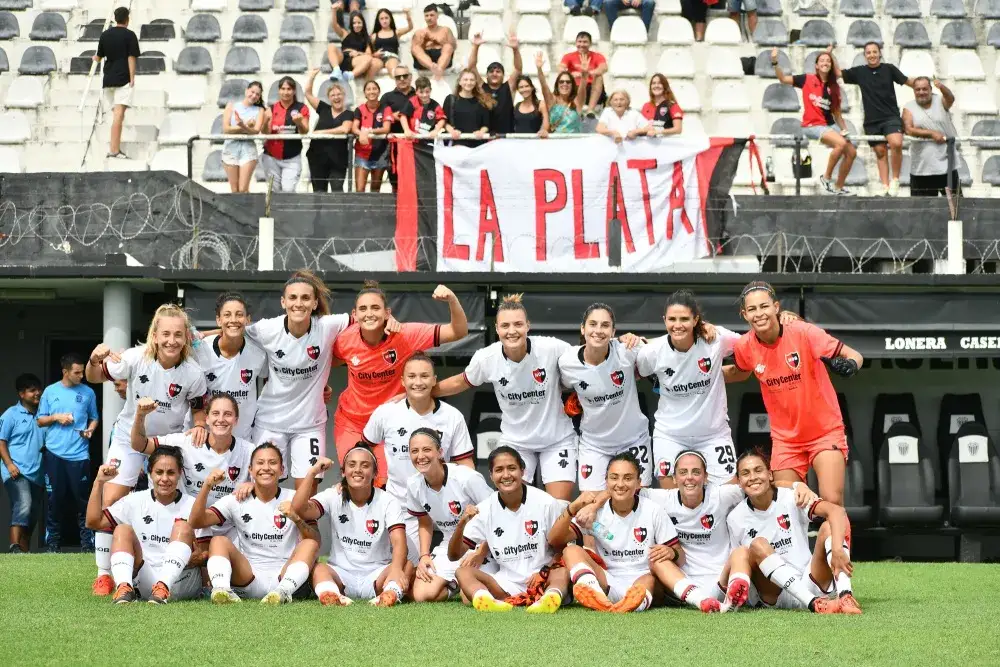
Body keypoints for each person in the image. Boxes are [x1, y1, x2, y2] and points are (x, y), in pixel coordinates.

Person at [85, 304, 208, 595]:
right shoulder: (134, 358)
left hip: (167, 443)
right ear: (154, 335)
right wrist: (93, 359)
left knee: (181, 502)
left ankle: (181, 571)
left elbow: (198, 407)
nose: (171, 340)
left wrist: (201, 425)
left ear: (186, 338)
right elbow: (94, 376)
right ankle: (104, 574)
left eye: (178, 334)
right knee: (111, 501)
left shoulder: (193, 372)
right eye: (165, 334)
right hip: (128, 439)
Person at [730, 281, 863, 505]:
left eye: (764, 306)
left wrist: (851, 366)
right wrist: (697, 375)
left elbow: (855, 355)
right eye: (752, 309)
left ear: (776, 307)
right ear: (744, 314)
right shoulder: (744, 346)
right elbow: (739, 373)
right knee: (787, 504)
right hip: (786, 440)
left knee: (831, 500)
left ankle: (835, 530)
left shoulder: (803, 331)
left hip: (824, 432)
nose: (759, 314)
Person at [434, 294, 577, 500]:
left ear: (528, 325)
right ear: (497, 328)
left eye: (518, 324)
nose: (512, 331)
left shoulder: (551, 348)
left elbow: (587, 358)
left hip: (557, 440)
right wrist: (422, 392)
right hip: (516, 442)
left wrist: (619, 344)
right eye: (505, 325)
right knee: (511, 503)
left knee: (558, 507)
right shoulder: (487, 358)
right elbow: (460, 382)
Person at [634, 450, 819, 609]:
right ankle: (701, 600)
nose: (689, 477)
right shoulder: (662, 498)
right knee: (656, 560)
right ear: (674, 478)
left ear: (706, 477)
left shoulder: (722, 494)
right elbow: (626, 488)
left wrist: (797, 485)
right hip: (683, 582)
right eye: (683, 472)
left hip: (721, 580)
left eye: (696, 472)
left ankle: (733, 598)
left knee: (741, 552)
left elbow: (758, 483)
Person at [332, 280, 467, 487]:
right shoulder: (344, 340)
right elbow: (323, 364)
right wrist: (323, 387)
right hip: (351, 423)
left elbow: (458, 331)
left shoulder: (405, 335)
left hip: (389, 425)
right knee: (355, 483)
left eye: (376, 308)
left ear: (387, 313)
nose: (369, 313)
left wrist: (452, 300)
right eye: (363, 309)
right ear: (354, 315)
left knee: (385, 486)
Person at [243, 271, 351, 491]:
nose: (298, 303)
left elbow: (366, 319)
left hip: (309, 425)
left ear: (314, 303)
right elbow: (232, 330)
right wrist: (200, 336)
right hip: (270, 422)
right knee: (264, 490)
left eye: (305, 298)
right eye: (292, 297)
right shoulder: (267, 329)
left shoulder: (328, 325)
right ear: (283, 302)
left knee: (307, 495)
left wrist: (391, 321)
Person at [362, 353, 475, 559]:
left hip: (446, 504)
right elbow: (364, 449)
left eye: (424, 376)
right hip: (402, 504)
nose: (418, 382)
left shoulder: (452, 416)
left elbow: (465, 463)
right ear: (402, 381)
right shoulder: (386, 413)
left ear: (434, 380)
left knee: (459, 562)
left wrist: (471, 499)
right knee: (409, 566)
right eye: (412, 376)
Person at [727, 448, 862, 614]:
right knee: (757, 544)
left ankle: (845, 595)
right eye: (745, 473)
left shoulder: (793, 497)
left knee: (828, 527)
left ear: (770, 475)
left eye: (758, 470)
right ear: (739, 481)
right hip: (775, 594)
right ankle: (814, 604)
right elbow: (738, 561)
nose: (753, 477)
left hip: (810, 580)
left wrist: (837, 548)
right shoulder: (735, 517)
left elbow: (837, 511)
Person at [553, 454, 689, 613]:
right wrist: (573, 508)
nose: (620, 484)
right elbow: (554, 540)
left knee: (650, 579)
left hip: (644, 581)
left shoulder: (653, 510)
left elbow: (680, 557)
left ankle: (633, 604)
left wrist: (672, 552)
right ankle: (596, 595)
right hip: (608, 580)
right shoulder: (594, 512)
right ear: (606, 481)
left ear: (639, 482)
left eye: (628, 478)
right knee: (571, 550)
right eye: (614, 477)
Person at [190, 442, 321, 605]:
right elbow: (196, 521)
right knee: (218, 541)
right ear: (250, 470)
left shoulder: (295, 499)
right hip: (248, 577)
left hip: (285, 576)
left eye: (272, 463)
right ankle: (222, 590)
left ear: (282, 470)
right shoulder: (237, 499)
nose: (266, 467)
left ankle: (283, 593)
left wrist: (297, 518)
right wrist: (207, 485)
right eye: (260, 463)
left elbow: (316, 541)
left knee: (309, 543)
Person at [448, 446, 569, 613]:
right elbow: (454, 555)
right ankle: (487, 602)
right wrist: (461, 524)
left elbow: (562, 549)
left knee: (562, 572)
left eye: (512, 468)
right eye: (499, 470)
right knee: (463, 572)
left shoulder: (546, 503)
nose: (506, 475)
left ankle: (550, 598)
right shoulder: (485, 509)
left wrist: (544, 571)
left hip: (543, 577)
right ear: (491, 476)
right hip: (507, 584)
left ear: (522, 471)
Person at [84, 447, 205, 604]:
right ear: (150, 473)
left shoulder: (193, 505)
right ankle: (124, 589)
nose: (164, 478)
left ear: (179, 473)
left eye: (171, 473)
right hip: (145, 580)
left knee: (182, 526)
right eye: (159, 472)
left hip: (181, 580)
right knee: (122, 530)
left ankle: (163, 586)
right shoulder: (134, 501)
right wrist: (99, 482)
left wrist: (199, 557)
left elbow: (206, 552)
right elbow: (94, 522)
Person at [293, 447, 412, 607]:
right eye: (352, 464)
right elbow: (299, 509)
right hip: (341, 574)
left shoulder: (388, 501)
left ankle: (388, 594)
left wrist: (396, 569)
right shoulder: (333, 495)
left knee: (406, 565)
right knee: (319, 568)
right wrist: (312, 473)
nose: (357, 470)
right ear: (343, 472)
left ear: (375, 473)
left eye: (365, 465)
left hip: (376, 574)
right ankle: (331, 594)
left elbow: (399, 542)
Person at [131, 394, 253, 539]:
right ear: (207, 418)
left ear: (236, 420)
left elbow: (269, 483)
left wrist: (253, 485)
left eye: (227, 414)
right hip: (188, 528)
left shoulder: (249, 451)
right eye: (215, 413)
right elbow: (140, 445)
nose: (221, 419)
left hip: (229, 531)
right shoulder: (186, 442)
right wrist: (140, 415)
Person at [558, 304, 649, 490]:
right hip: (594, 445)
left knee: (638, 499)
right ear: (582, 328)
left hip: (634, 440)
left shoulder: (627, 350)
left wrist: (699, 329)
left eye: (605, 325)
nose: (598, 330)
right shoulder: (567, 363)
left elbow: (664, 345)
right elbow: (564, 384)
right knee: (591, 502)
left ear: (613, 331)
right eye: (593, 324)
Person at [405, 428, 495, 602]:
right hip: (449, 546)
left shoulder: (467, 478)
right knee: (422, 595)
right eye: (414, 451)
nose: (420, 456)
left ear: (440, 452)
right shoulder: (413, 484)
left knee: (469, 598)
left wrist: (481, 552)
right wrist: (424, 555)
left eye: (426, 450)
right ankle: (455, 584)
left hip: (480, 543)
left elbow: (495, 514)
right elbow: (424, 522)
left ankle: (464, 582)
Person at [772, 47, 856, 196]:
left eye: (828, 61)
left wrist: (844, 130)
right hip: (812, 125)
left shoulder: (834, 87)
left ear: (831, 65)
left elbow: (837, 114)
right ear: (816, 65)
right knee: (840, 144)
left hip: (829, 125)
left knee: (851, 153)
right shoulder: (807, 79)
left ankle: (838, 187)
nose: (825, 63)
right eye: (822, 60)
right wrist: (775, 62)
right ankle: (826, 178)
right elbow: (783, 79)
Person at [37, 354, 99, 553]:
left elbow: (94, 418)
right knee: (55, 500)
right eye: (77, 372)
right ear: (65, 372)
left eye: (82, 372)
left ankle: (87, 544)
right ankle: (53, 544)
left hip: (79, 455)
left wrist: (90, 430)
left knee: (82, 500)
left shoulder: (88, 392)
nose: (82, 376)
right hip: (54, 454)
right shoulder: (50, 391)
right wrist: (56, 417)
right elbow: (40, 420)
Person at [841, 42, 915, 196]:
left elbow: (908, 81)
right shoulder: (859, 72)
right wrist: (828, 55)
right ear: (865, 55)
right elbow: (837, 73)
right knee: (880, 152)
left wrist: (927, 86)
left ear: (880, 53)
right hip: (872, 121)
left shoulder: (889, 69)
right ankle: (886, 187)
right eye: (868, 52)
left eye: (875, 52)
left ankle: (895, 180)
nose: (872, 55)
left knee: (896, 143)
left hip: (890, 117)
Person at [194, 292, 268, 440]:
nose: (233, 320)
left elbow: (271, 380)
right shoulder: (200, 349)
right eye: (227, 315)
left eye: (239, 314)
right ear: (218, 320)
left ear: (247, 319)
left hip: (243, 439)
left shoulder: (258, 353)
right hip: (205, 438)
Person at [0, 374, 44, 553]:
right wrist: (9, 464)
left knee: (32, 514)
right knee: (23, 504)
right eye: (32, 390)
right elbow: (1, 441)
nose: (37, 393)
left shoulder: (44, 414)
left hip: (38, 473)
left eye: (39, 389)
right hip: (16, 470)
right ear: (21, 394)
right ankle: (14, 547)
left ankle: (23, 554)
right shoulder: (11, 414)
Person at [93, 7, 139, 160]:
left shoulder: (105, 35)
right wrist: (132, 77)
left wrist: (94, 59)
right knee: (118, 115)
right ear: (127, 19)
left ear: (115, 18)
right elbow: (131, 57)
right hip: (123, 79)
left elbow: (99, 57)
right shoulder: (130, 35)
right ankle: (114, 150)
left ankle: (114, 148)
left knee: (116, 115)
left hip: (108, 80)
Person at [903, 77, 959, 198]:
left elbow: (951, 98)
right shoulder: (908, 107)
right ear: (914, 91)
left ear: (930, 89)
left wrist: (942, 87)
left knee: (954, 204)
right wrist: (931, 133)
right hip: (921, 166)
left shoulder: (940, 100)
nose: (921, 92)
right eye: (918, 89)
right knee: (921, 207)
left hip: (947, 163)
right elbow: (908, 129)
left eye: (924, 89)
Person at [303, 72, 353, 193]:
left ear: (344, 96)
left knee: (337, 190)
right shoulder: (323, 108)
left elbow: (344, 129)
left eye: (339, 94)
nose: (336, 97)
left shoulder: (349, 114)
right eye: (333, 95)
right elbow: (308, 94)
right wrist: (312, 76)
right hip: (317, 158)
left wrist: (320, 132)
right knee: (319, 191)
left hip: (338, 160)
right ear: (329, 98)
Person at [261, 77, 310, 193]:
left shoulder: (302, 108)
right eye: (283, 89)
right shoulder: (271, 109)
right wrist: (265, 121)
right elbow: (265, 132)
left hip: (292, 158)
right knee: (274, 191)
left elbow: (305, 131)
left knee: (288, 191)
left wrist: (299, 123)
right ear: (279, 90)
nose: (286, 92)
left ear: (294, 91)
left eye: (289, 89)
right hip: (271, 158)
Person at [468, 32, 522, 135]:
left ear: (503, 75)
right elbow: (471, 68)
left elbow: (518, 69)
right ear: (486, 75)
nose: (494, 74)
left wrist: (515, 49)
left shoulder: (508, 87)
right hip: (484, 137)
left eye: (498, 71)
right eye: (491, 71)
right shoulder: (481, 87)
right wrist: (475, 47)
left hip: (506, 137)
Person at [221, 80, 265, 193]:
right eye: (252, 92)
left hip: (248, 149)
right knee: (235, 190)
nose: (254, 95)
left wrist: (242, 126)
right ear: (246, 91)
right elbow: (226, 129)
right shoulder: (231, 106)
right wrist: (244, 126)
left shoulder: (260, 110)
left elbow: (255, 131)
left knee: (243, 189)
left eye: (257, 94)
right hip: (230, 148)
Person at [380, 64, 417, 191]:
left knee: (414, 181)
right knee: (395, 182)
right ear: (394, 79)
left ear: (410, 77)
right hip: (394, 145)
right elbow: (380, 117)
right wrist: (392, 116)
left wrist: (400, 115)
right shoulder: (387, 97)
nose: (402, 79)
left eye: (405, 76)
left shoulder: (419, 94)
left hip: (416, 144)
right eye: (398, 77)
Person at [353, 80, 392, 192]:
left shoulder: (386, 108)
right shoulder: (359, 109)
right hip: (362, 153)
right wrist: (361, 133)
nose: (371, 91)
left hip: (380, 153)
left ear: (379, 91)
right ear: (365, 93)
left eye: (374, 89)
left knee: (375, 189)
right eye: (368, 89)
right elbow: (354, 128)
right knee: (360, 189)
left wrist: (369, 131)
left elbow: (386, 128)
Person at [559, 32, 607, 117]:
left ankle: (590, 110)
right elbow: (561, 68)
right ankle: (578, 111)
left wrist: (585, 73)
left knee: (599, 77)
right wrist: (570, 74)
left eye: (585, 42)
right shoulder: (568, 56)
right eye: (579, 42)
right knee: (564, 78)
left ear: (590, 43)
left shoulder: (597, 56)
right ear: (576, 43)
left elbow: (604, 68)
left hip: (591, 89)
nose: (582, 44)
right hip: (575, 89)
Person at [538, 54, 587, 134]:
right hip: (556, 140)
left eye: (568, 82)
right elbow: (543, 85)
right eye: (561, 82)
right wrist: (539, 69)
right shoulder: (552, 101)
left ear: (572, 85)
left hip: (574, 140)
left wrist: (584, 74)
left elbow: (583, 87)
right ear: (557, 85)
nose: (565, 84)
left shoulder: (577, 102)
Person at [443, 69, 493, 141]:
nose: (469, 82)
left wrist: (481, 132)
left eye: (472, 80)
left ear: (475, 82)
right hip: (456, 143)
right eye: (465, 79)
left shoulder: (482, 101)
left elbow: (486, 125)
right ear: (460, 82)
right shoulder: (450, 99)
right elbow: (444, 122)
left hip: (478, 144)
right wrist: (452, 131)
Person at [411, 4, 456, 80]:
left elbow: (453, 46)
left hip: (442, 57)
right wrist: (423, 42)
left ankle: (439, 69)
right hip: (424, 61)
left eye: (432, 15)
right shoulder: (419, 32)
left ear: (437, 16)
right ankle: (434, 68)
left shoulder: (445, 30)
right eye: (426, 16)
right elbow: (414, 51)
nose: (429, 18)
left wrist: (437, 41)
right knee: (415, 48)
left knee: (448, 46)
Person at [328, 10, 375, 82]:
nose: (357, 25)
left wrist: (358, 53)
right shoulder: (345, 34)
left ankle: (349, 76)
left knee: (368, 58)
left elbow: (369, 54)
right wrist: (334, 11)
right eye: (354, 23)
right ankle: (336, 70)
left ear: (363, 23)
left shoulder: (367, 39)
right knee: (331, 46)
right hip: (342, 58)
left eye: (359, 23)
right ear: (351, 24)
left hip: (354, 60)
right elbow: (334, 25)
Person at [371, 8, 413, 79]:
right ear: (378, 21)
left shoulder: (396, 32)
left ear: (390, 19)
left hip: (392, 57)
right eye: (382, 19)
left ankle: (398, 83)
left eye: (386, 18)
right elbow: (368, 51)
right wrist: (374, 54)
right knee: (373, 66)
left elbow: (410, 27)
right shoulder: (374, 36)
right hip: (378, 58)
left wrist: (407, 15)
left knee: (392, 67)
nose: (384, 21)